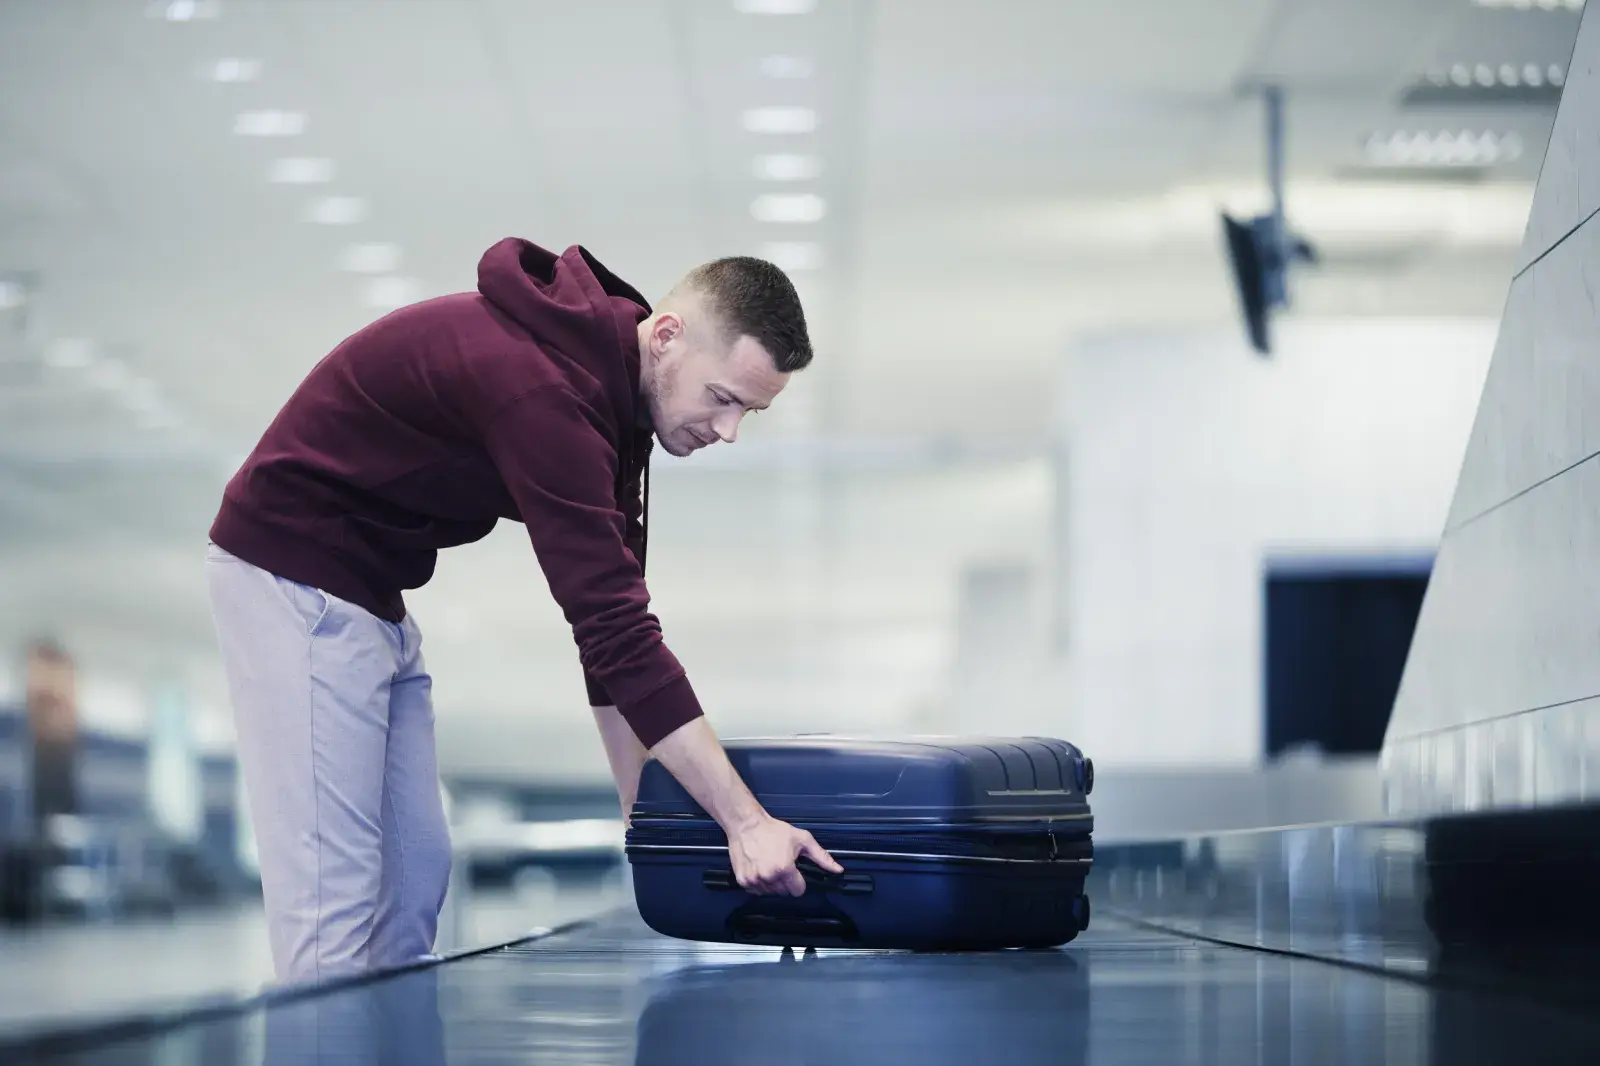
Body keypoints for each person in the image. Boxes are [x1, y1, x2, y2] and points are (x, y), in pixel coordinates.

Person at [204, 237, 842, 985]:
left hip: (372, 597)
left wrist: (643, 819)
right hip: (293, 581)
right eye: (724, 398)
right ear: (667, 336)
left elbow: (613, 642)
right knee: (332, 910)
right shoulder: (545, 390)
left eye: (748, 412)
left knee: (414, 886)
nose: (728, 430)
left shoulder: (617, 403)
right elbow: (613, 632)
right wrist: (745, 823)